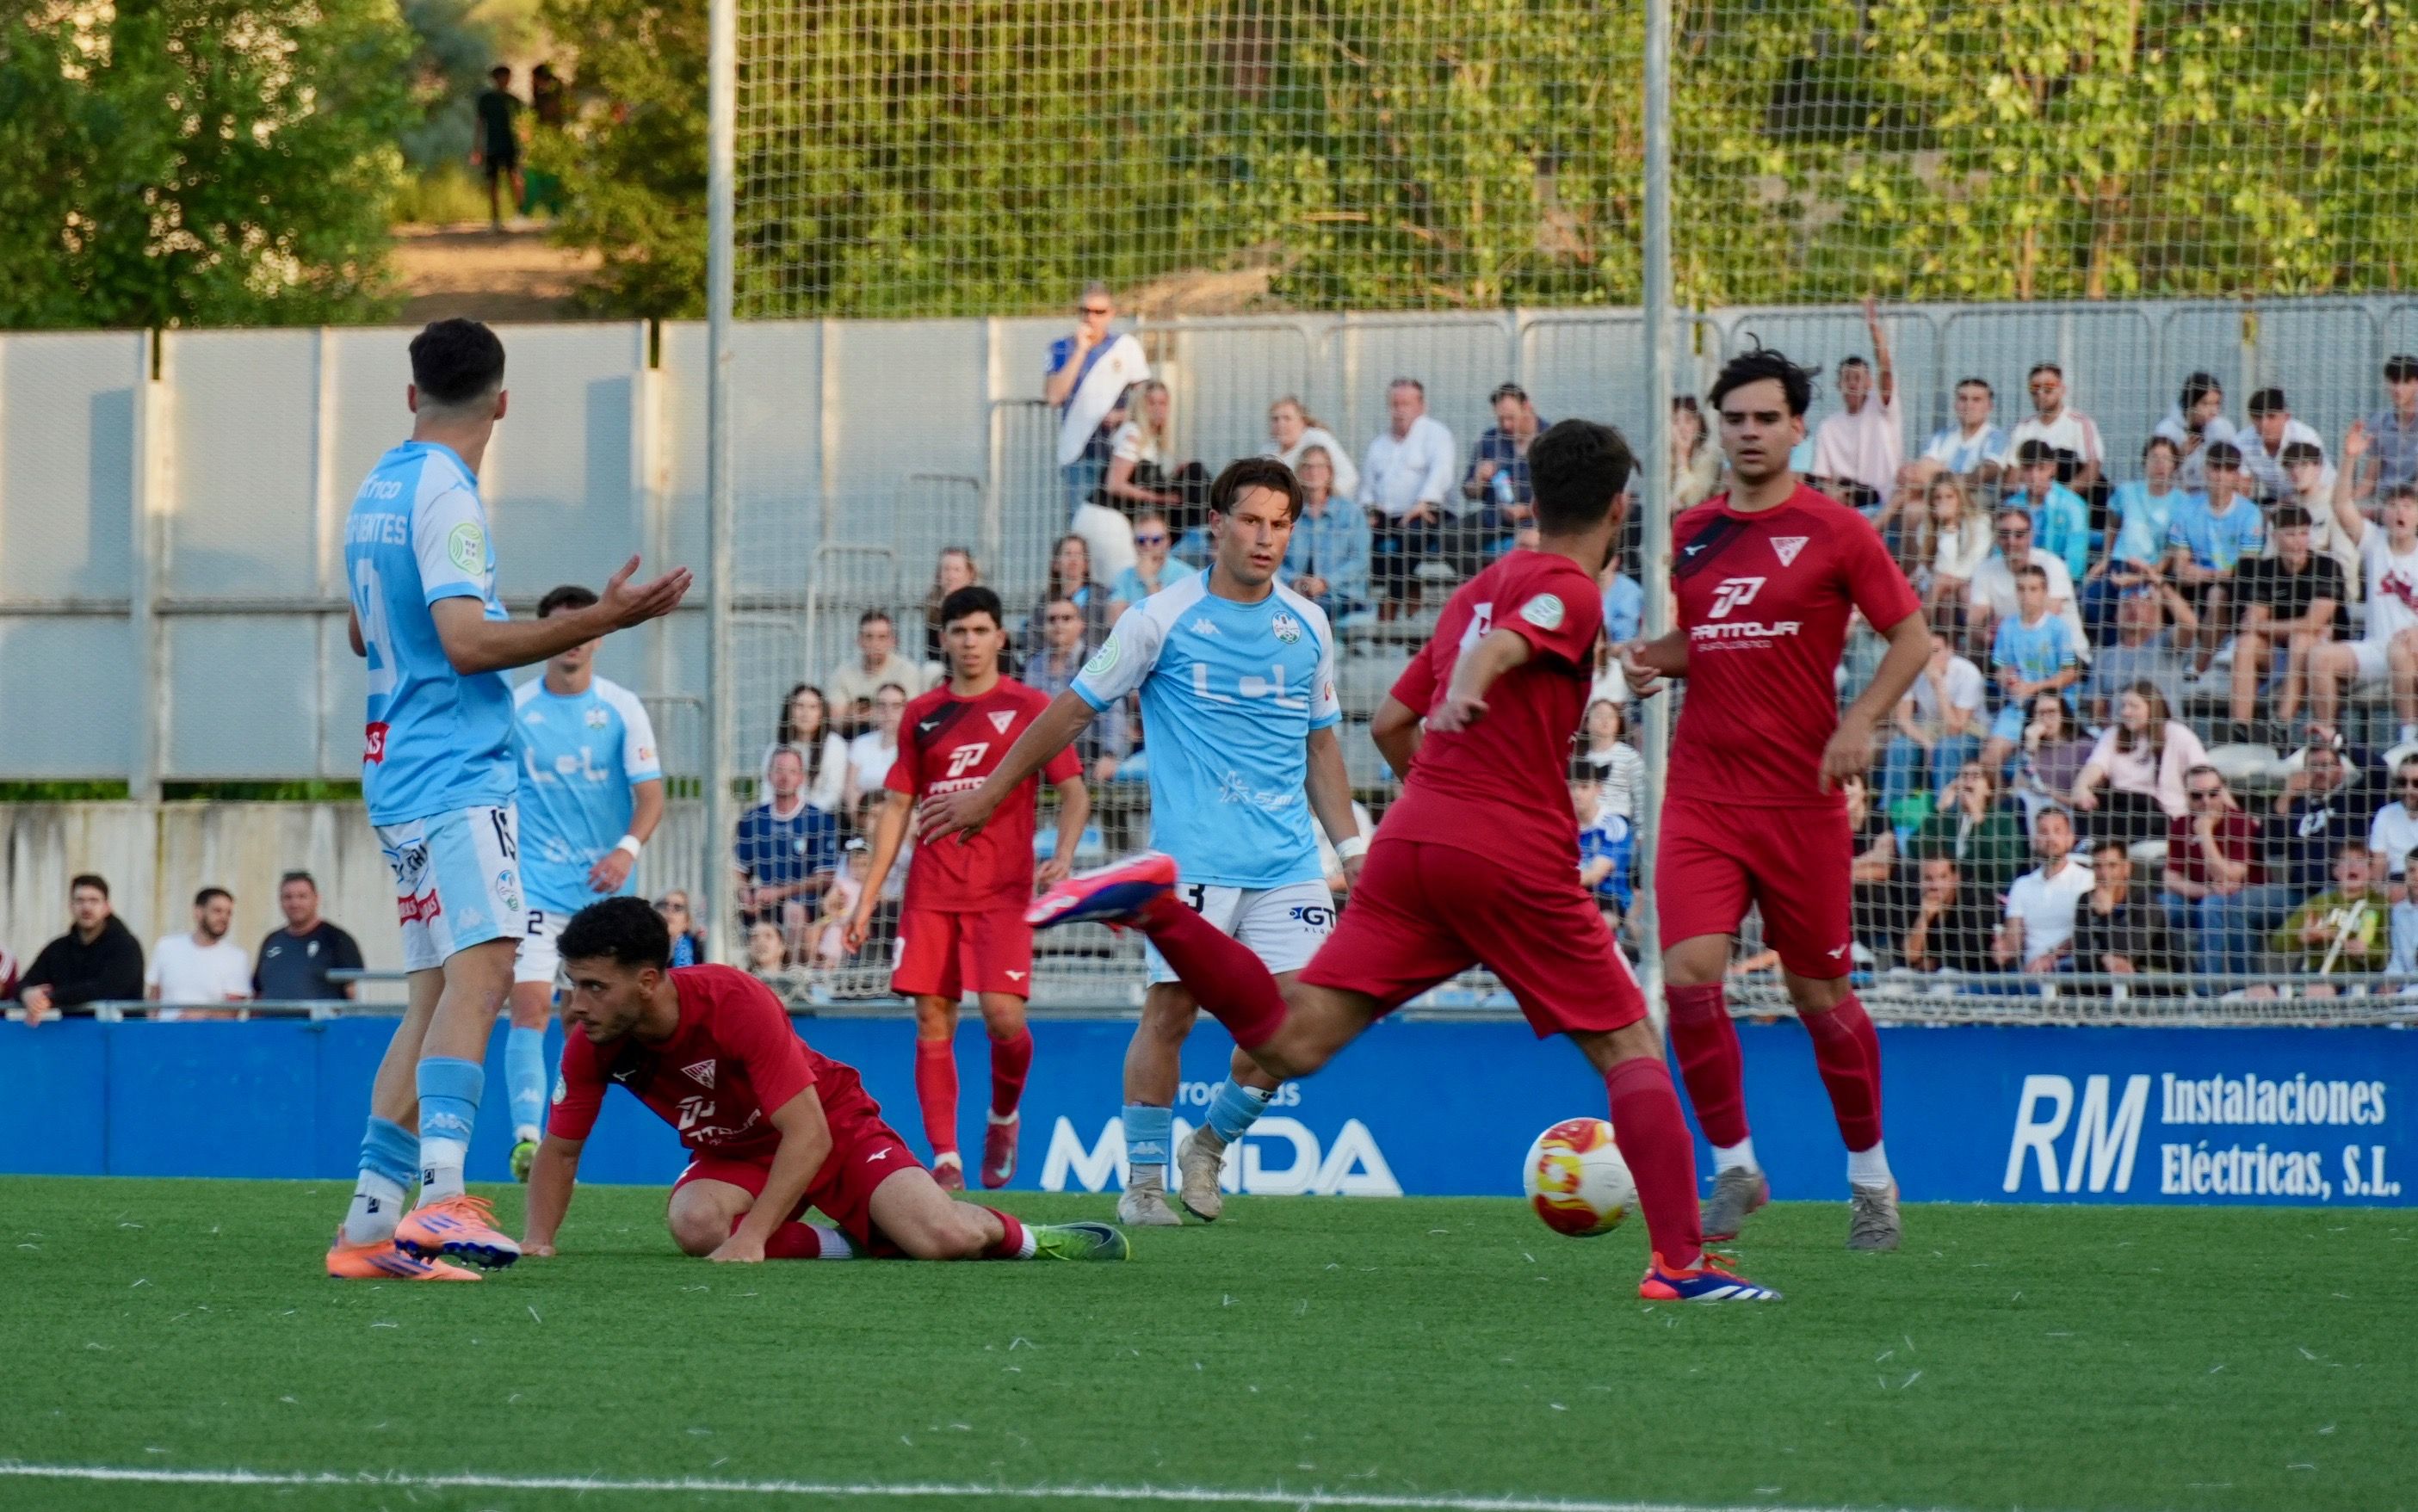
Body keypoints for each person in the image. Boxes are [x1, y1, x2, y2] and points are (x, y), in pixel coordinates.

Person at [1014, 419, 1778, 1301]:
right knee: (1628, 1043)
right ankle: (1680, 1264)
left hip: (1416, 842)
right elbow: (1501, 656)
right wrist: (1473, 700)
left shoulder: (1480, 587)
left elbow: (1386, 725)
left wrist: (1445, 782)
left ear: (1527, 496)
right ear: (1620, 508)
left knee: (1291, 1038)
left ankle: (1155, 909)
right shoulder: (1571, 589)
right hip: (1509, 851)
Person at [328, 317, 690, 1282]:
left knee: (433, 995)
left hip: (396, 764)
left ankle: (371, 1220)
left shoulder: (377, 483)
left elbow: (366, 634)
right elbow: (464, 643)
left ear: (412, 395)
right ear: (502, 400)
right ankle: (440, 1204)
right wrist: (596, 618)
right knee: (485, 979)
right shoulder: (448, 493)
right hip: (453, 767)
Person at [921, 457, 1362, 1226]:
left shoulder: (1309, 624)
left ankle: (1210, 1144)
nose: (1266, 538)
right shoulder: (1159, 617)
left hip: (1289, 861)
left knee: (1298, 1036)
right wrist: (992, 793)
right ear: (1218, 525)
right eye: (1251, 521)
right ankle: (1144, 1183)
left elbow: (1320, 746)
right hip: (1192, 863)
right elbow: (1070, 710)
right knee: (1171, 1013)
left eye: (1280, 524)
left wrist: (1353, 854)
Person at [1618, 341, 1928, 1253]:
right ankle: (1735, 1167)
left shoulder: (1839, 529)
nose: (1748, 432)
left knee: (1819, 993)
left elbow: (1910, 638)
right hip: (1704, 798)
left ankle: (1871, 1178)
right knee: (1687, 981)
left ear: (1799, 427)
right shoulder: (1690, 530)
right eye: (1735, 418)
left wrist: (1860, 719)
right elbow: (1716, 641)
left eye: (1766, 418)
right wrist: (1652, 661)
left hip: (1801, 800)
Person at [522, 898, 1127, 1265]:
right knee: (695, 1223)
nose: (577, 1004)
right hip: (739, 1151)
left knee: (942, 1238)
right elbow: (560, 1149)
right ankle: (858, 1240)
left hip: (828, 1125)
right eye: (573, 983)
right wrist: (537, 1241)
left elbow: (807, 1133)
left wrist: (755, 1237)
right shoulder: (593, 1040)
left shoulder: (733, 999)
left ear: (649, 981)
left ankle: (1027, 1236)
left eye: (594, 986)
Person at [845, 585, 1090, 1192]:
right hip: (931, 890)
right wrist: (869, 897)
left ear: (1000, 637)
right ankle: (947, 1157)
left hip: (1003, 891)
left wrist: (1061, 854)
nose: (970, 641)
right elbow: (897, 808)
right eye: (959, 631)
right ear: (945, 639)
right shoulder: (920, 713)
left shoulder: (1032, 704)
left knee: (1004, 1019)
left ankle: (1003, 1114)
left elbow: (1076, 792)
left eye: (981, 630)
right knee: (932, 1019)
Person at [503, 583, 667, 1180]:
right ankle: (526, 1136)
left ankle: (568, 1125)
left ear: (599, 634)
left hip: (603, 896)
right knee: (527, 1005)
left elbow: (651, 794)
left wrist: (626, 849)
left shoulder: (621, 707)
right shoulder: (516, 708)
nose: (572, 637)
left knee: (588, 1017)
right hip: (533, 889)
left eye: (583, 624)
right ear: (545, 634)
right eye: (559, 626)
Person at [2310, 435, 2418, 743]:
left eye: (2408, 506)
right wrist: (2349, 458)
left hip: (2411, 650)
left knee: (2400, 649)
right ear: (2383, 513)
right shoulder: (2375, 542)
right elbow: (2341, 505)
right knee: (2320, 656)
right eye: (2393, 505)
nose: (2400, 512)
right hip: (2376, 649)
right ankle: (2328, 742)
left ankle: (2408, 740)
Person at [2161, 765, 2289, 977]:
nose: (2206, 801)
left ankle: (2206, 989)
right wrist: (2207, 890)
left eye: (2213, 793)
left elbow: (2230, 877)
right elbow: (2170, 879)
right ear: (2186, 796)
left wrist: (2205, 834)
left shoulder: (2241, 823)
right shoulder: (2181, 824)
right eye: (2197, 795)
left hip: (2240, 899)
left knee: (2212, 908)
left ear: (2223, 791)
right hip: (2203, 895)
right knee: (2159, 906)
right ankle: (2163, 979)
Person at [2229, 503, 2345, 732]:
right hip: (2279, 653)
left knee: (2302, 640)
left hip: (2324, 653)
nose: (2298, 541)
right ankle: (2239, 728)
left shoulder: (2327, 567)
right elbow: (2251, 624)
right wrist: (2294, 626)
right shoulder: (2265, 570)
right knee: (2246, 644)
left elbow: (2314, 623)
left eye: (2303, 533)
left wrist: (2269, 626)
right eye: (2290, 534)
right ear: (2275, 536)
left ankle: (2281, 724)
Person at [1043, 281, 1148, 528]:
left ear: (1111, 314)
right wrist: (1081, 351)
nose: (1091, 318)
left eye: (1099, 312)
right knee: (1083, 526)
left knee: (1120, 525)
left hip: (1120, 454)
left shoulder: (1126, 347)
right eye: (1085, 311)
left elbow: (1145, 395)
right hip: (1079, 454)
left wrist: (1124, 416)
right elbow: (1054, 396)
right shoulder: (1060, 348)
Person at [2163, 441, 2265, 682]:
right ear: (2206, 470)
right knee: (2157, 590)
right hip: (2195, 581)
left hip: (2232, 585)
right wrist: (2195, 572)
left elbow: (2245, 570)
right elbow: (2180, 566)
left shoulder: (2250, 514)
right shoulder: (2188, 508)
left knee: (2217, 596)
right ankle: (2163, 660)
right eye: (2216, 468)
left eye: (2228, 470)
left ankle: (2201, 664)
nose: (2221, 476)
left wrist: (2207, 574)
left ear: (2236, 475)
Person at [1359, 378, 1460, 608]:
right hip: (1388, 516)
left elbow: (1441, 472)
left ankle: (1392, 600)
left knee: (1410, 537)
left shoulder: (1436, 434)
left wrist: (1423, 502)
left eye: (1406, 404)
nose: (1399, 410)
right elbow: (1367, 486)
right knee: (1357, 541)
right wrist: (1370, 510)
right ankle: (1409, 585)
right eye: (1395, 404)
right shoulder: (1379, 444)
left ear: (1421, 407)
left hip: (1429, 511)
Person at [2070, 682, 2207, 846]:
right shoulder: (2113, 735)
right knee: (2088, 804)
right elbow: (2095, 766)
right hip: (2119, 807)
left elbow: (2204, 777)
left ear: (2152, 707)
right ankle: (2089, 845)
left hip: (2162, 814)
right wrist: (2082, 788)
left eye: (2134, 706)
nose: (2125, 712)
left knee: (2134, 807)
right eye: (2124, 706)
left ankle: (2095, 844)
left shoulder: (2178, 735)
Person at [2083, 435, 2189, 645]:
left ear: (2175, 465)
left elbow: (2174, 550)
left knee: (2148, 609)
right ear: (2144, 462)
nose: (2160, 464)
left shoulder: (2182, 502)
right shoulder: (2127, 492)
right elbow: (2113, 524)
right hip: (2120, 563)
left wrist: (2149, 575)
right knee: (2091, 599)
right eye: (2154, 458)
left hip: (2153, 570)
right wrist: (2106, 558)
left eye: (2166, 459)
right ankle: (2113, 650)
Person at [1977, 565, 2080, 776]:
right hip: (2018, 709)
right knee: (1988, 760)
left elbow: (2070, 674)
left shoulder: (2059, 628)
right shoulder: (2007, 627)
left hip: (2053, 708)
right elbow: (2000, 670)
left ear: (2044, 592)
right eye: (2021, 589)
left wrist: (2034, 688)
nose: (2026, 595)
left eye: (2033, 589)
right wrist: (2007, 679)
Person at [736, 745, 843, 941]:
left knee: (793, 911)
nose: (785, 777)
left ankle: (793, 970)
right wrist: (745, 894)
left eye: (792, 771)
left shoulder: (819, 819)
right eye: (779, 770)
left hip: (804, 900)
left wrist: (779, 892)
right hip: (762, 899)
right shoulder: (753, 819)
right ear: (769, 776)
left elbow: (825, 876)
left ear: (802, 778)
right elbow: (737, 869)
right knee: (717, 904)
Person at [1021, 596, 1133, 778]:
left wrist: (1109, 755)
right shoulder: (1034, 666)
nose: (1058, 625)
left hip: (1089, 756)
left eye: (1066, 618)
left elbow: (1114, 715)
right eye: (1052, 619)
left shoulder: (1098, 660)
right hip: (1044, 755)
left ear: (1081, 625)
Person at [1809, 299, 1902, 510]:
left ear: (1870, 383)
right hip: (1843, 499)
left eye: (1858, 378)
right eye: (1847, 378)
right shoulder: (1828, 427)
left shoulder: (1882, 409)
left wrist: (1873, 328)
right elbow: (1823, 476)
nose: (1852, 384)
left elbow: (1885, 369)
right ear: (1837, 385)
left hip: (1880, 499)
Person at [14, 874, 143, 1025]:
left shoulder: (126, 946)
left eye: (94, 901)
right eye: (80, 901)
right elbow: (24, 982)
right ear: (71, 906)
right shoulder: (58, 949)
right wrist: (28, 995)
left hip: (123, 1039)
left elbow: (107, 988)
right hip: (73, 1040)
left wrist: (51, 999)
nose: (86, 907)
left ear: (107, 907)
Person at [1882, 633, 1983, 818]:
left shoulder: (1967, 673)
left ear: (1950, 650)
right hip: (1930, 730)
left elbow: (1955, 727)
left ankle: (1945, 815)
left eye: (1936, 651)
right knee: (1900, 747)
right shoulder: (1910, 671)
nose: (1930, 659)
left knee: (1946, 748)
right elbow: (1903, 720)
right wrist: (1927, 743)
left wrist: (1938, 685)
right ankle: (1894, 816)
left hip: (1969, 731)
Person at [2271, 732, 2379, 900]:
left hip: (2339, 891)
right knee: (2228, 906)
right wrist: (2284, 799)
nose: (2320, 771)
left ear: (2341, 770)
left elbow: (2380, 772)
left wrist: (2339, 741)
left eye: (2326, 765)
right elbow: (2271, 848)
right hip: (2297, 894)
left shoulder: (2356, 799)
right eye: (2313, 766)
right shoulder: (2297, 807)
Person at [2264, 842, 2388, 989]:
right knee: (2259, 991)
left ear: (2371, 872)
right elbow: (2277, 942)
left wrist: (2366, 950)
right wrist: (2301, 936)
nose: (2353, 866)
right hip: (2315, 974)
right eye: (2345, 861)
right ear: (2335, 871)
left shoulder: (2379, 905)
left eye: (2360, 861)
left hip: (2358, 978)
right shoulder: (2320, 902)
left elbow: (2387, 955)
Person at [1966, 507, 2086, 657]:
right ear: (1996, 537)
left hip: (2063, 654)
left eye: (2019, 534)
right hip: (2011, 651)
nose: (2011, 541)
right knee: (1972, 642)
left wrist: (2002, 625)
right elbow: (1975, 621)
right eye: (2004, 534)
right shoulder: (1985, 569)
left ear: (2031, 536)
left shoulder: (2052, 565)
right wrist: (1988, 633)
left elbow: (2045, 618)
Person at [1906, 762, 2030, 904]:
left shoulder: (2002, 819)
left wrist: (1979, 821)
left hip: (1984, 898)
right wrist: (1939, 810)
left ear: (1988, 789)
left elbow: (2006, 866)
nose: (1968, 780)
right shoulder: (1946, 819)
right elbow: (1914, 848)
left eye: (1976, 776)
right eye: (1963, 775)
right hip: (1943, 896)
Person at [2071, 838, 2185, 985]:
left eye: (2112, 866)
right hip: (2104, 972)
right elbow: (2081, 952)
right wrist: (2104, 958)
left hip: (2152, 978)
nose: (2104, 873)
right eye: (2098, 866)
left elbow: (2127, 951)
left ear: (2126, 869)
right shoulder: (2086, 899)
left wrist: (2106, 915)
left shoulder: (2146, 902)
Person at [1281, 446, 1373, 627]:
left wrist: (1325, 582)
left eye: (1320, 467)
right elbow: (1275, 559)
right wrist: (1294, 580)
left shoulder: (1351, 513)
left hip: (1341, 595)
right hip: (1296, 592)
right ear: (1299, 472)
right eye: (1307, 466)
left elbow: (1360, 561)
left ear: (1329, 472)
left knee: (1311, 612)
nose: (1313, 472)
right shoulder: (1288, 514)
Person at [1994, 806, 2093, 975]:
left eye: (2057, 831)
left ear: (2070, 838)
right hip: (2027, 974)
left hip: (2069, 972)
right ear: (2034, 840)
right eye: (2044, 831)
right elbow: (2013, 941)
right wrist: (2003, 949)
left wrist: (2050, 958)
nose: (2051, 837)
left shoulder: (2087, 879)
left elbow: (2086, 934)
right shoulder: (2022, 885)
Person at [1104, 380, 1210, 534]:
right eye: (1151, 403)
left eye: (1163, 403)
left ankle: (1207, 528)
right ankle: (1207, 531)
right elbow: (1114, 485)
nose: (1158, 409)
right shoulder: (1133, 433)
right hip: (1121, 514)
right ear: (1141, 407)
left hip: (1142, 510)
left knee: (1193, 470)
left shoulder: (1153, 439)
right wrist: (1160, 498)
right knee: (1195, 474)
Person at [252, 872, 364, 1003]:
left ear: (316, 899)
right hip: (273, 1023)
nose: (295, 903)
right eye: (288, 897)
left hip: (319, 1023)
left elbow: (354, 993)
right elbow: (258, 994)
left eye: (302, 896)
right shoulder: (271, 940)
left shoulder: (337, 939)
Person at [1998, 361, 2104, 495]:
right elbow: (2013, 474)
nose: (2041, 393)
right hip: (2031, 499)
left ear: (2062, 390)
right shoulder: (2022, 428)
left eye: (2048, 387)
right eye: (2035, 388)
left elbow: (2092, 469)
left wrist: (2059, 498)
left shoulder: (2080, 423)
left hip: (2070, 497)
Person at [144, 887, 250, 1017]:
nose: (224, 918)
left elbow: (233, 1010)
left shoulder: (237, 958)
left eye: (229, 913)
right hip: (166, 1034)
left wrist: (200, 1015)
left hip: (210, 1035)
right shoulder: (166, 947)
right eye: (217, 911)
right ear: (198, 912)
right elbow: (154, 998)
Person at [2003, 440, 2091, 583]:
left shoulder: (2073, 505)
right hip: (2014, 581)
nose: (2034, 476)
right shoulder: (2011, 504)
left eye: (2041, 468)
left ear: (2053, 468)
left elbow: (2075, 562)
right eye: (2027, 469)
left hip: (2058, 582)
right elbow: (2000, 552)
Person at [1461, 381, 1547, 522]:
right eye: (1501, 419)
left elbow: (1563, 495)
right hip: (1492, 519)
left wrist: (1527, 510)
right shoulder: (1489, 440)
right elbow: (1469, 493)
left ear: (1527, 407)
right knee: (1448, 535)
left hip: (1535, 520)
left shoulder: (1550, 439)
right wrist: (1479, 480)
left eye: (1511, 418)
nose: (1506, 424)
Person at [827, 611, 927, 730]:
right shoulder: (843, 673)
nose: (875, 644)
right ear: (859, 641)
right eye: (869, 637)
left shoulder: (907, 671)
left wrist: (858, 715)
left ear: (893, 641)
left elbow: (910, 716)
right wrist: (886, 711)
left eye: (882, 637)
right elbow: (835, 720)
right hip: (852, 738)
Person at [1900, 856, 1998, 974]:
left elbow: (1963, 956)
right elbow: (1908, 957)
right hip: (1927, 973)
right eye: (1928, 878)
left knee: (1946, 975)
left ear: (1956, 878)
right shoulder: (1915, 902)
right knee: (1896, 975)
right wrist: (1924, 918)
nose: (1935, 886)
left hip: (1976, 976)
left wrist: (1934, 963)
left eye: (1942, 877)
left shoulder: (1976, 902)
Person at [1917, 476, 1992, 628]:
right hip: (1940, 584)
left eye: (1950, 496)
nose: (1944, 502)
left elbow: (1968, 570)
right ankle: (1945, 645)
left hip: (1972, 580)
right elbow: (1925, 570)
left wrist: (1949, 527)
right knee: (1946, 597)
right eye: (1938, 498)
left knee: (1941, 586)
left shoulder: (1980, 523)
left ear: (1960, 498)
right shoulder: (1926, 528)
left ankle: (1917, 632)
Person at [1910, 376, 2007, 493]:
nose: (1968, 405)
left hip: (1975, 499)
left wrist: (1944, 476)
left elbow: (1987, 472)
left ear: (1989, 406)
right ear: (1955, 404)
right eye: (1963, 399)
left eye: (1976, 400)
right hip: (1938, 495)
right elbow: (1923, 469)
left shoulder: (1996, 437)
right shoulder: (1941, 436)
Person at [760, 683, 847, 810]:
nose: (806, 713)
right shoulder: (776, 748)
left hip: (819, 819)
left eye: (813, 707)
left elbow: (833, 794)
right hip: (779, 819)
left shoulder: (835, 745)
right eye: (800, 706)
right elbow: (766, 792)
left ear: (822, 712)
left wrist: (802, 817)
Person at [2015, 689, 2097, 820]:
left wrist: (2050, 793)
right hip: (2039, 814)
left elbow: (2086, 799)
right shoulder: (2032, 747)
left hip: (2075, 813)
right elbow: (2020, 787)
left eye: (2052, 712)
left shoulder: (2085, 746)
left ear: (2063, 714)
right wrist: (2030, 749)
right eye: (2041, 713)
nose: (2047, 719)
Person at [1024, 534, 1110, 657]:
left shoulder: (1102, 597)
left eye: (1078, 554)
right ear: (1056, 564)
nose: (1073, 560)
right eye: (1068, 554)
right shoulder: (1045, 602)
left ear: (1086, 564)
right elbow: (1033, 641)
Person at [2238, 386, 2327, 503]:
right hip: (2275, 502)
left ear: (2286, 417)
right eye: (2258, 417)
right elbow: (2241, 489)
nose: (2264, 424)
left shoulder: (2305, 438)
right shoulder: (2242, 441)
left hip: (2315, 499)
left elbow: (2317, 484)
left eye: (2271, 417)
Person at [1263, 395, 1359, 502]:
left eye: (1287, 418)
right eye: (1275, 419)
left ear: (1302, 422)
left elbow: (1349, 477)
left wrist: (1327, 502)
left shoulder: (1318, 438)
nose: (1280, 424)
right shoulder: (1267, 450)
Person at [2152, 372, 2236, 493]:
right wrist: (2178, 456)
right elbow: (2156, 475)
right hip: (2177, 496)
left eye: (2217, 404)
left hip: (2212, 496)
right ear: (2190, 403)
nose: (2213, 411)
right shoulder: (2167, 429)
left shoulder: (2223, 428)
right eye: (2205, 404)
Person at [1574, 768, 1636, 929]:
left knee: (1592, 924)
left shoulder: (1614, 824)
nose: (1576, 794)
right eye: (1571, 787)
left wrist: (1553, 882)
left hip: (1609, 900)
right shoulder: (1562, 825)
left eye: (1584, 787)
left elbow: (1596, 874)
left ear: (1598, 789)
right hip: (1571, 892)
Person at [1110, 509, 1198, 622]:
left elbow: (1165, 620)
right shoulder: (1124, 576)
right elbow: (1116, 622)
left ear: (1168, 542)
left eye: (1156, 540)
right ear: (1134, 544)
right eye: (1141, 541)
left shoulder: (1186, 576)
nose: (1148, 546)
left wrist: (1150, 580)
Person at [2357, 354, 2418, 498]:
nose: (2398, 389)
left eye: (2405, 382)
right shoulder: (2379, 422)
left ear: (2416, 383)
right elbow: (2369, 479)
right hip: (2384, 497)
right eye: (2394, 382)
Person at [470, 65, 523, 231]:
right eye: (502, 77)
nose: (505, 81)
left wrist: (524, 145)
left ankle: (520, 214)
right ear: (496, 79)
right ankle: (495, 219)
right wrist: (477, 147)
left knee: (515, 177)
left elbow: (523, 124)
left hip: (510, 144)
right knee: (493, 182)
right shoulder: (486, 99)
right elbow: (480, 123)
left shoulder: (514, 100)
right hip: (492, 145)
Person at [842, 684, 908, 811]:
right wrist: (861, 819)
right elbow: (850, 788)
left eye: (896, 706)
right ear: (874, 709)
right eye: (882, 705)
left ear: (906, 709)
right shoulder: (861, 743)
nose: (888, 712)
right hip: (862, 819)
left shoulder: (914, 745)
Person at [1581, 698, 1647, 821]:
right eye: (1599, 716)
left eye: (1611, 716)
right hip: (1589, 825)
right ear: (1587, 724)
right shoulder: (1582, 759)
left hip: (1619, 820)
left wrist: (1640, 832)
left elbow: (1641, 795)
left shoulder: (1630, 756)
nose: (1605, 721)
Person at [920, 547, 980, 663]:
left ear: (969, 574)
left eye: (957, 570)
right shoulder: (933, 606)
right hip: (944, 666)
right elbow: (933, 652)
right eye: (946, 569)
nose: (951, 575)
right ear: (939, 574)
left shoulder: (981, 604)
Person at [2367, 754, 2418, 889]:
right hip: (2395, 885)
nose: (2408, 790)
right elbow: (2379, 863)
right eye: (2402, 782)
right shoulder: (2386, 814)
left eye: (2416, 783)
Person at [655, 891, 708, 966]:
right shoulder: (644, 946)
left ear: (688, 921)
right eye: (664, 905)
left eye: (677, 907)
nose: (669, 910)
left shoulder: (699, 951)